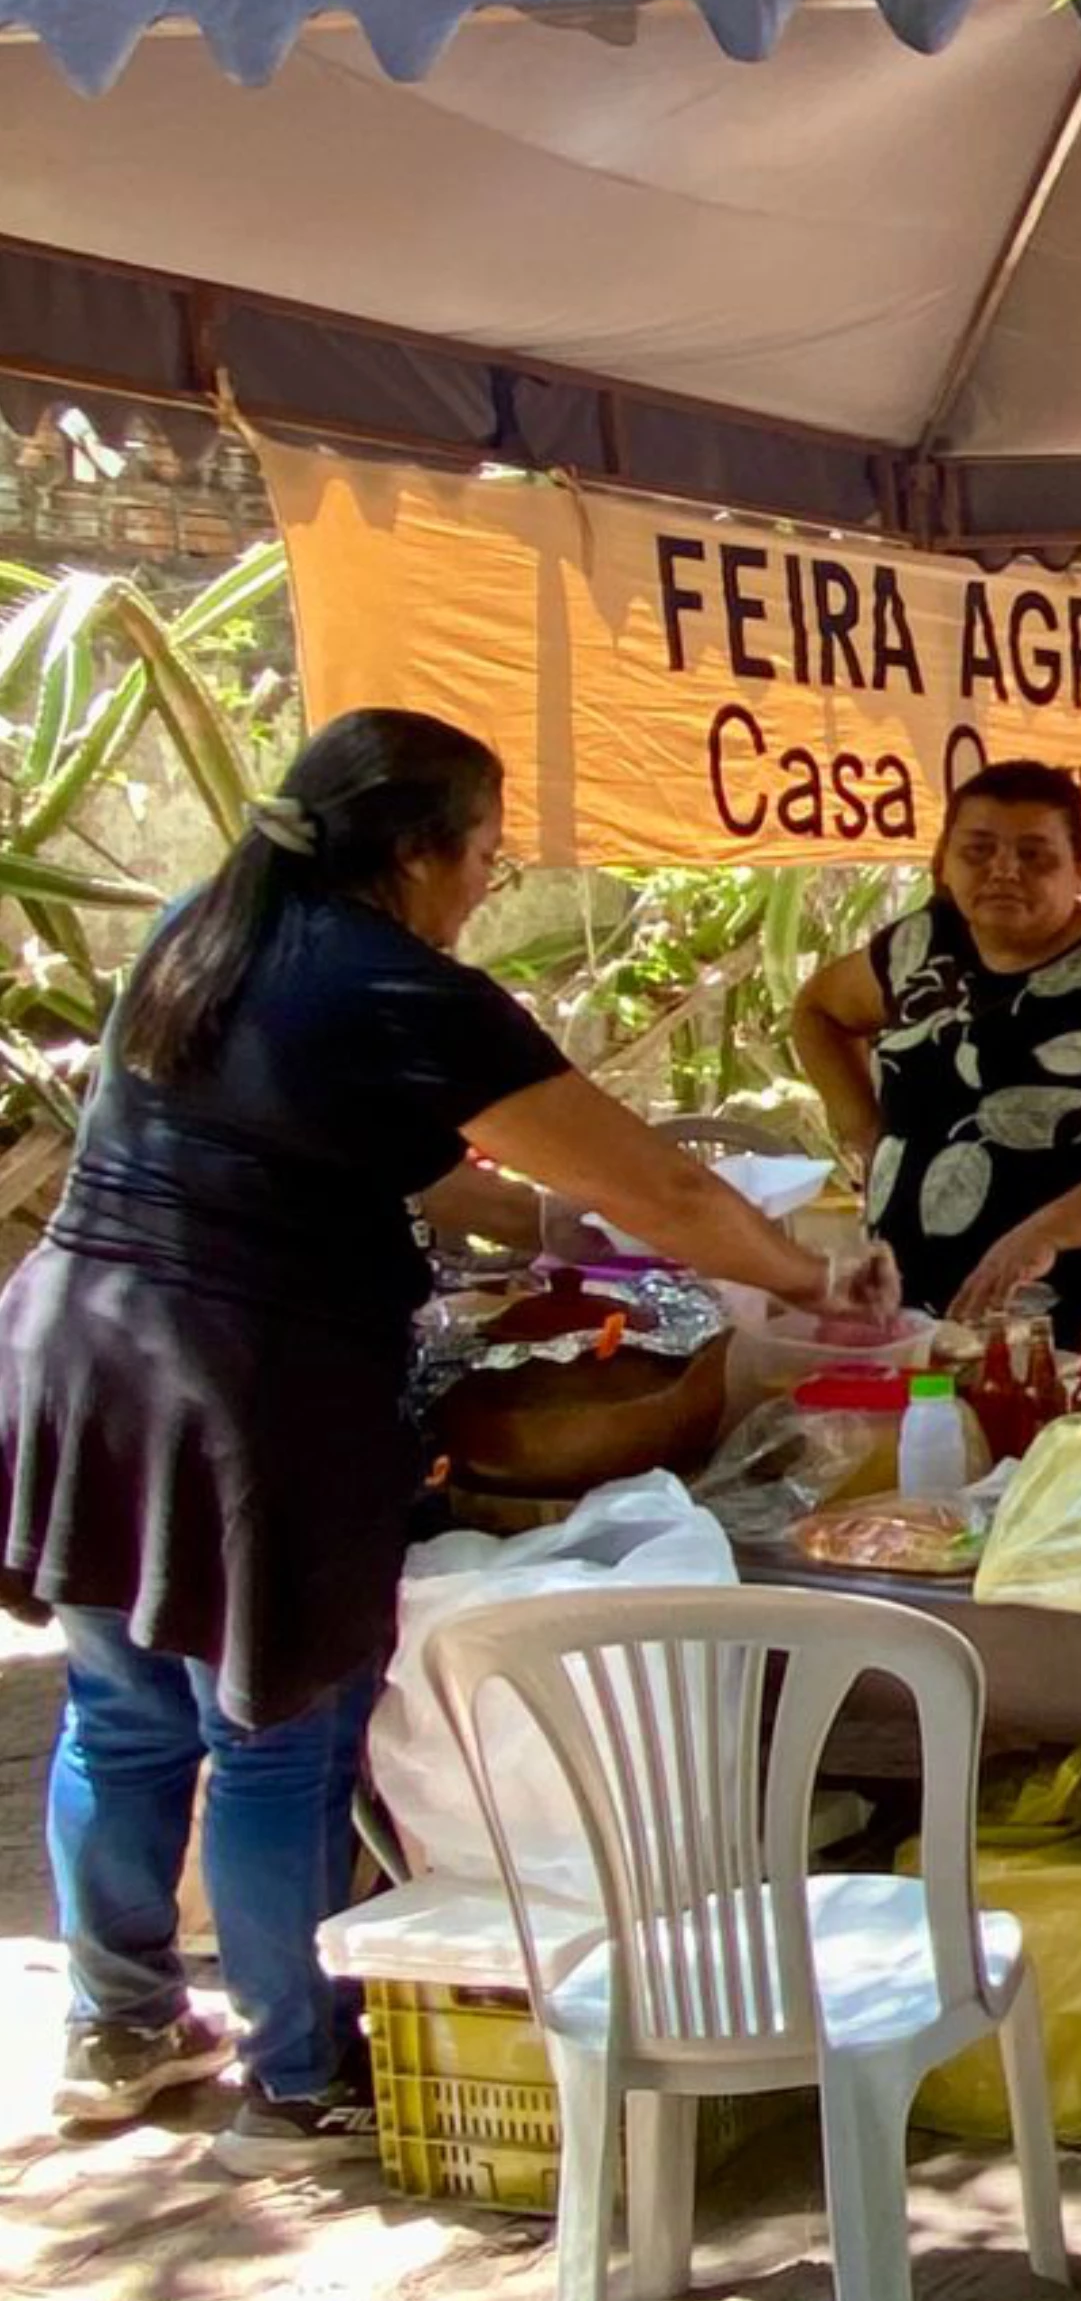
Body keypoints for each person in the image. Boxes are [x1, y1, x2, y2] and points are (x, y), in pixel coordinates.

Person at [10, 710, 892, 2167]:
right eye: (485, 853)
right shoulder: (398, 983)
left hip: (76, 1351)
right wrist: (810, 1276)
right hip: (242, 1389)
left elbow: (380, 1150)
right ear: (418, 852)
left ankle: (123, 2020)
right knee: (274, 1732)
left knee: (123, 1708)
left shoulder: (205, 924)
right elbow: (665, 1187)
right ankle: (299, 2078)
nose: (489, 882)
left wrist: (540, 1224)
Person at [793, 762, 1081, 1342]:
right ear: (942, 860)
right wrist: (865, 1131)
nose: (1003, 872)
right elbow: (818, 1011)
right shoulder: (919, 945)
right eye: (978, 850)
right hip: (916, 1302)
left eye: (1035, 855)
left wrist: (1044, 1234)